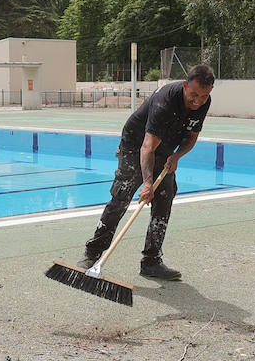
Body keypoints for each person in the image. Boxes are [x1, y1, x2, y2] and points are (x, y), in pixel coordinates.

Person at [77, 64, 215, 281]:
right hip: (136, 145)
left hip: (165, 149)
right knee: (122, 196)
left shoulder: (203, 102)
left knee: (164, 198)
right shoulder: (166, 101)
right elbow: (147, 147)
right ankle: (92, 254)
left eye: (204, 96)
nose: (198, 101)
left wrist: (176, 156)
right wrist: (147, 183)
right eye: (194, 95)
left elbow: (192, 136)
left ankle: (151, 261)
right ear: (185, 85)